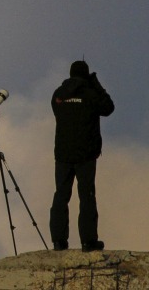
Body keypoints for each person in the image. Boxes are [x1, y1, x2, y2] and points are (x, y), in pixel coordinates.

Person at [49, 60, 114, 252]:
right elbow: (108, 108)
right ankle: (88, 241)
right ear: (86, 75)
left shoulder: (58, 95)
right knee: (86, 196)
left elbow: (57, 111)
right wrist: (96, 84)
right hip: (86, 154)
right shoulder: (90, 94)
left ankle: (59, 241)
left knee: (61, 195)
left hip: (63, 154)